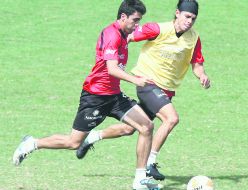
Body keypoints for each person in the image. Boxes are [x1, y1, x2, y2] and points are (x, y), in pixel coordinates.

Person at [12, 1, 163, 189]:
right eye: (135, 20)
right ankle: (32, 143)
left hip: (114, 96)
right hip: (95, 97)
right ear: (123, 17)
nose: (137, 25)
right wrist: (136, 80)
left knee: (146, 126)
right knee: (73, 142)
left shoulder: (124, 34)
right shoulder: (111, 35)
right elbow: (112, 69)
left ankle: (140, 180)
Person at [76, 0, 211, 182]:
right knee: (171, 118)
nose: (190, 21)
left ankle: (92, 137)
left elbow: (197, 63)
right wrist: (114, 55)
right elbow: (129, 36)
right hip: (148, 83)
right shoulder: (157, 29)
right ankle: (150, 163)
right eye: (187, 16)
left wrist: (202, 75)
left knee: (131, 129)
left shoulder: (193, 38)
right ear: (177, 13)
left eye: (193, 19)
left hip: (167, 90)